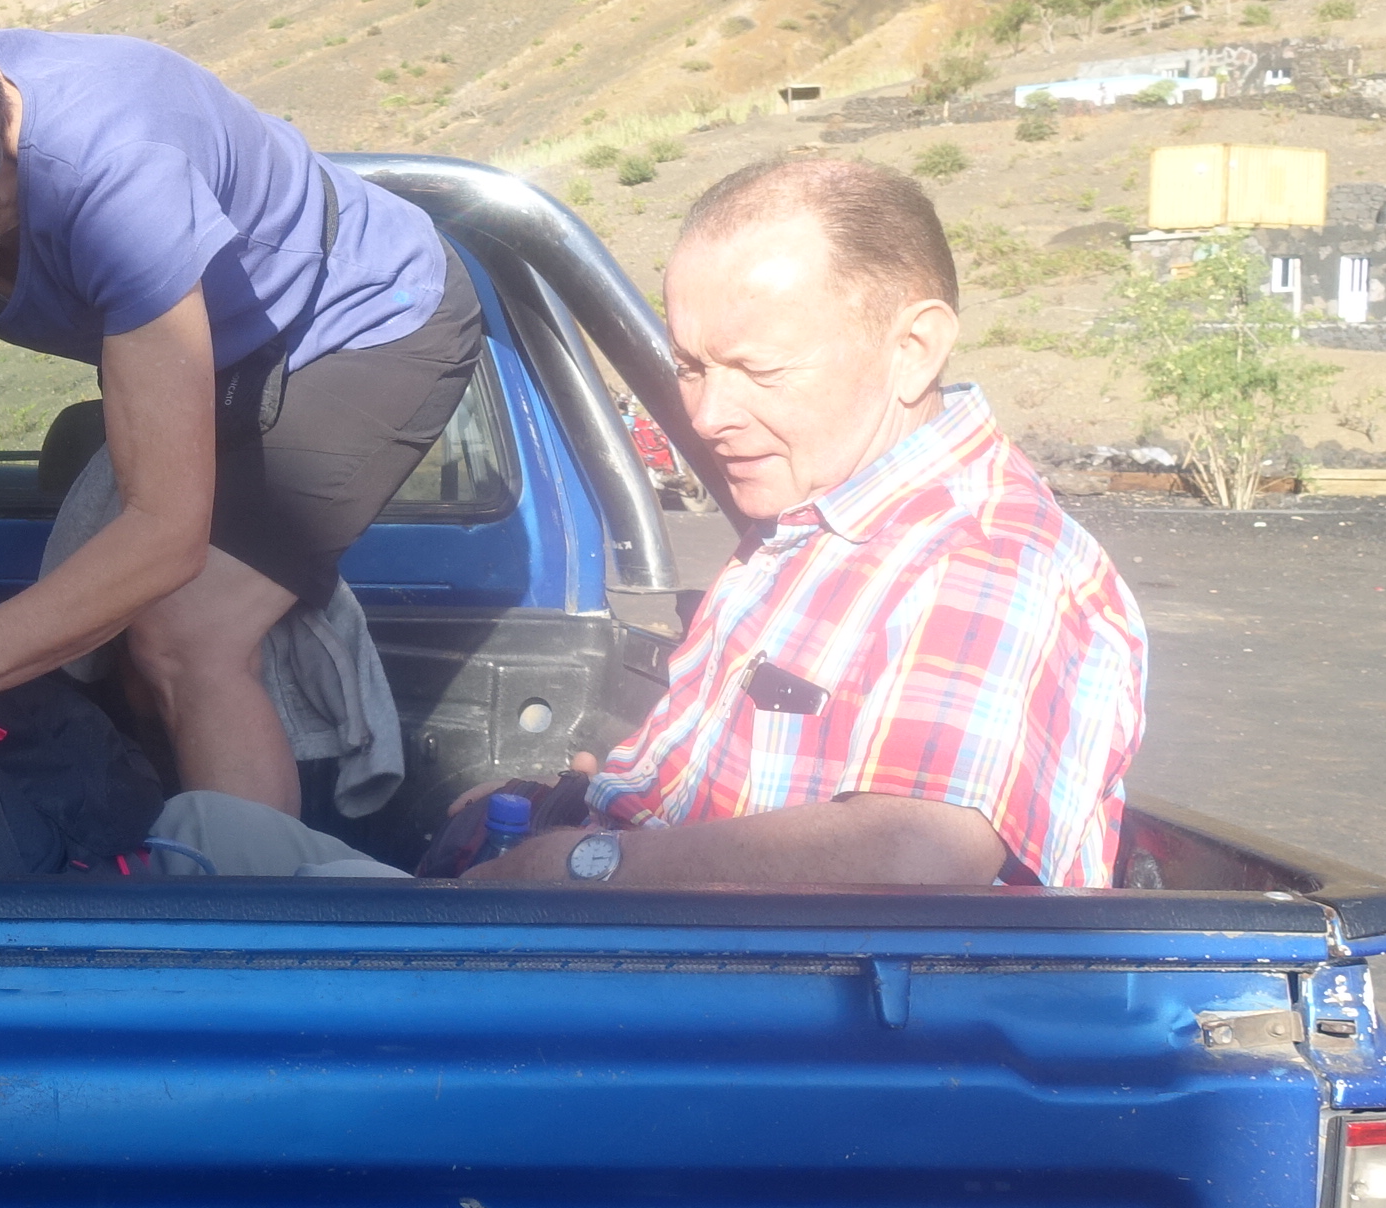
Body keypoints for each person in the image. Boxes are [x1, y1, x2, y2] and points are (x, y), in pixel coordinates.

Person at [0, 0, 485, 808]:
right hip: (217, 348)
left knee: (185, 634)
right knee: (108, 633)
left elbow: (164, 534)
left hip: (361, 322)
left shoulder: (113, 170)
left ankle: (248, 887)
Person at [455, 156, 1145, 890]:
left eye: (760, 371)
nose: (707, 416)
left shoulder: (984, 556)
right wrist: (559, 809)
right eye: (691, 367)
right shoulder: (813, 514)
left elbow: (918, 854)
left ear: (913, 350)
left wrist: (577, 864)